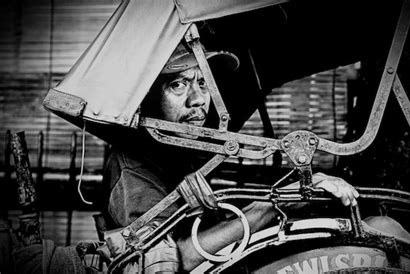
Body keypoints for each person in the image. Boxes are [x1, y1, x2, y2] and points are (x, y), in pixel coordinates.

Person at [100, 41, 360, 272]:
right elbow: (175, 258)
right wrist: (274, 204)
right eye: (178, 85)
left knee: (376, 229)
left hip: (236, 260)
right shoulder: (132, 166)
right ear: (148, 97)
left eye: (203, 83)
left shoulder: (180, 148)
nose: (198, 99)